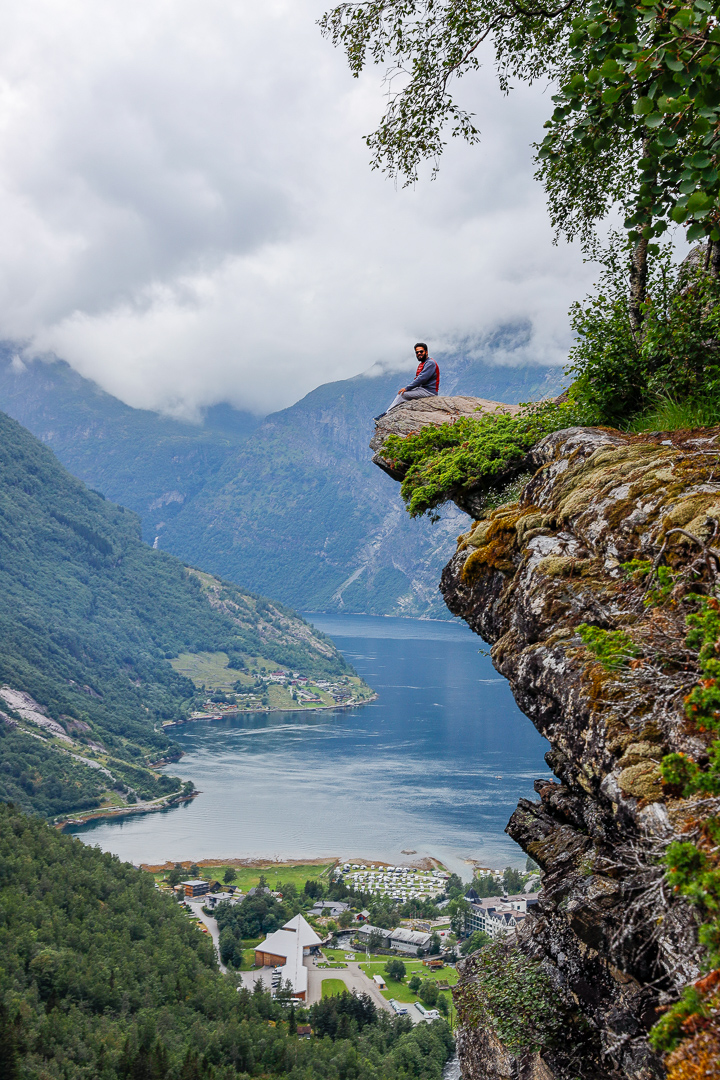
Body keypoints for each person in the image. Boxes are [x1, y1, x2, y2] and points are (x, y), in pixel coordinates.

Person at [374, 343, 440, 421]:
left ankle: (387, 414)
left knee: (403, 394)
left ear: (426, 352)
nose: (419, 354)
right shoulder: (423, 364)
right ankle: (391, 412)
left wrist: (407, 388)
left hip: (428, 391)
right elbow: (418, 379)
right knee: (404, 393)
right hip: (422, 389)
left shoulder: (430, 363)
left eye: (421, 351)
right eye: (417, 352)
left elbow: (421, 379)